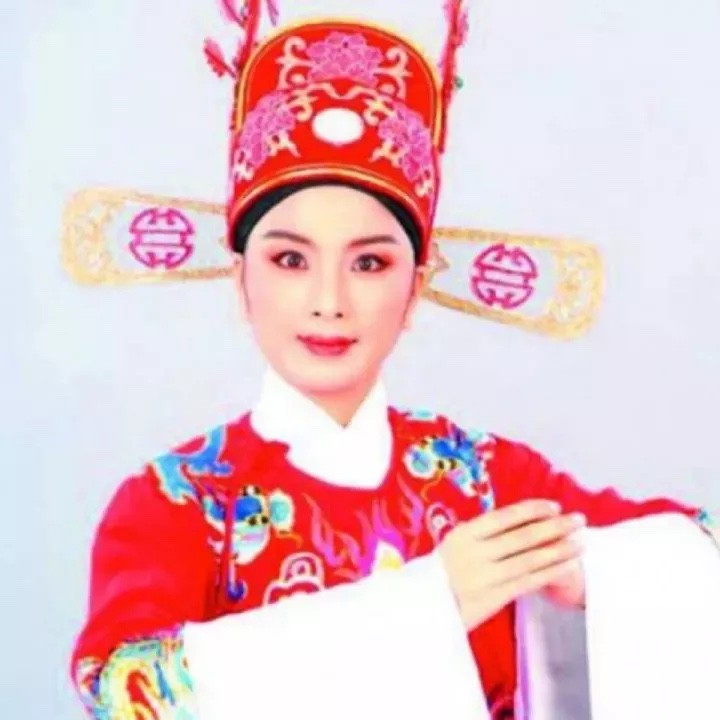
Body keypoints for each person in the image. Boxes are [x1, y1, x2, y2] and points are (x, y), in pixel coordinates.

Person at [70, 2, 718, 718]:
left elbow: (702, 550)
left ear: (415, 290)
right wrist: (430, 605)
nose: (329, 301)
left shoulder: (483, 479)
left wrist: (601, 573)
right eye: (290, 260)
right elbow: (122, 689)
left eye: (370, 263)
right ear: (240, 281)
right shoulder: (178, 501)